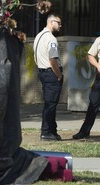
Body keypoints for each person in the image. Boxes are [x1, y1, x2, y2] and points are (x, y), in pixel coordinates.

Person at [33, 13, 63, 141]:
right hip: (51, 73)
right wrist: (59, 75)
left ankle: (52, 130)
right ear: (51, 22)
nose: (60, 25)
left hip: (42, 72)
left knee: (50, 103)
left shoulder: (39, 36)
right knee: (50, 104)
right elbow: (52, 60)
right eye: (59, 22)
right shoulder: (51, 39)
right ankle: (46, 132)